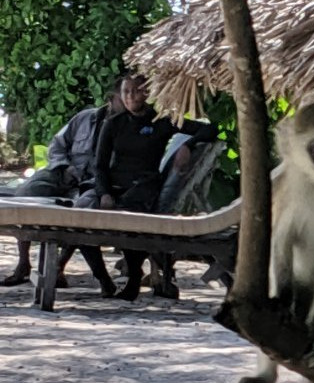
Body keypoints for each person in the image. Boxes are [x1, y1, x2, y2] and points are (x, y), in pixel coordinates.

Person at [79, 74, 218, 301]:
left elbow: (210, 129)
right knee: (78, 217)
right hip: (113, 184)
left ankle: (134, 279)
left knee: (131, 219)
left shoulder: (161, 121)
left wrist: (188, 146)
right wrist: (104, 193)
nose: (131, 96)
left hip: (144, 185)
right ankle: (104, 279)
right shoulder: (114, 123)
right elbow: (100, 165)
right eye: (126, 92)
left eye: (136, 91)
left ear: (146, 93)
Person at [1, 83, 124, 287]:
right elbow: (57, 145)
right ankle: (23, 262)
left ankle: (58, 266)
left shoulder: (127, 127)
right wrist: (64, 167)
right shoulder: (85, 118)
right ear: (111, 99)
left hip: (92, 182)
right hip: (64, 172)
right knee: (27, 191)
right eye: (123, 96)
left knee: (80, 212)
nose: (129, 101)